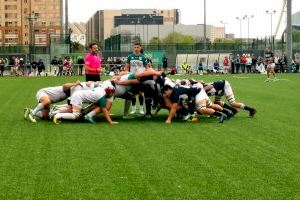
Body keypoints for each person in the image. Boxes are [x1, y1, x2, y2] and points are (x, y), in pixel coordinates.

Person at [53, 80, 118, 125]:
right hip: (78, 97)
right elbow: (105, 110)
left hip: (77, 95)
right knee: (76, 116)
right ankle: (58, 116)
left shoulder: (100, 89)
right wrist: (110, 122)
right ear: (109, 92)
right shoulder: (102, 97)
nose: (113, 94)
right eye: (112, 92)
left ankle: (53, 112)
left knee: (70, 110)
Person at [123, 42, 150, 116]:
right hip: (132, 77)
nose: (136, 49)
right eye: (135, 47)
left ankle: (141, 108)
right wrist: (125, 72)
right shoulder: (130, 56)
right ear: (133, 48)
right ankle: (133, 109)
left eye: (138, 47)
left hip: (140, 78)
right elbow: (127, 67)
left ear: (140, 48)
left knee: (141, 93)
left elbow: (147, 67)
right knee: (132, 93)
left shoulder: (143, 57)